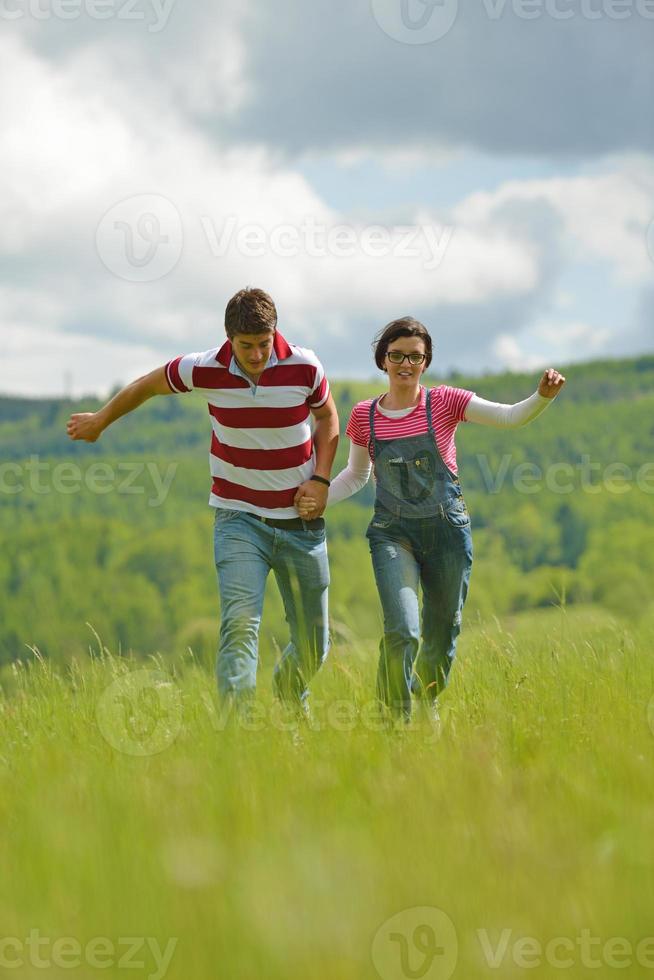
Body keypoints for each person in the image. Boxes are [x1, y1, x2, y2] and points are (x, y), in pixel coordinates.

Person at [67, 287, 339, 711]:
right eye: (246, 346)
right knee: (240, 625)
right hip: (238, 520)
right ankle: (238, 732)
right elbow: (148, 385)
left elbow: (327, 416)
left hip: (299, 522)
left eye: (264, 344)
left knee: (313, 639)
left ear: (275, 333)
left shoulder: (304, 365)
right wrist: (101, 420)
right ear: (229, 339)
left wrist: (321, 480)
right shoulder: (204, 368)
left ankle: (290, 696)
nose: (255, 355)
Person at [298, 316, 566, 723]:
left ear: (426, 362)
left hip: (447, 532)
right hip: (392, 535)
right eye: (397, 355)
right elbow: (356, 475)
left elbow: (510, 416)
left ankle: (427, 703)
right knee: (403, 630)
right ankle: (393, 722)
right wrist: (319, 499)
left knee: (443, 632)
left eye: (415, 357)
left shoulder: (444, 402)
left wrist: (542, 396)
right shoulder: (364, 415)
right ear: (382, 360)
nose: (406, 364)